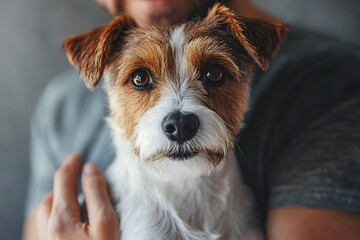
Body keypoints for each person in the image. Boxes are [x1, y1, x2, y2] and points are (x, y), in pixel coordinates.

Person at [23, 0, 360, 239]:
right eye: (141, 79)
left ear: (251, 74)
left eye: (213, 75)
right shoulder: (62, 105)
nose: (178, 117)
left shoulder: (330, 83)